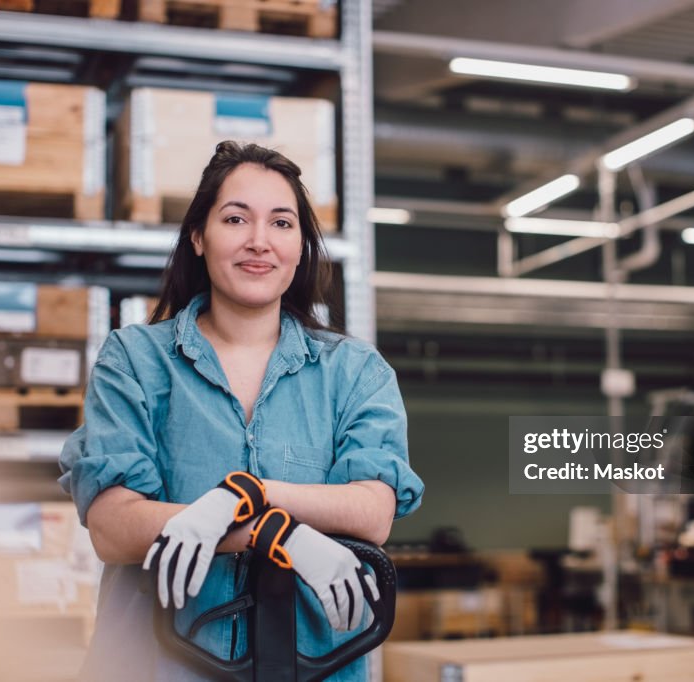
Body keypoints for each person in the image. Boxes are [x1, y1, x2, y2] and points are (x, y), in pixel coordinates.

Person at [58, 141, 424, 681]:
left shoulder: (355, 372)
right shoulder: (135, 360)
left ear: (301, 247)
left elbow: (372, 511)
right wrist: (273, 534)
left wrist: (248, 496)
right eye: (236, 218)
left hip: (317, 668)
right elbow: (114, 527)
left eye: (282, 223)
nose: (260, 241)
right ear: (199, 237)